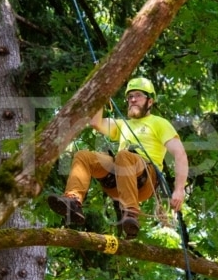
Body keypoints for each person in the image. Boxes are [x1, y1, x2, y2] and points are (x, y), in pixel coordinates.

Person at [47, 77, 188, 239]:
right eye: (129, 97)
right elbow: (96, 123)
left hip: (146, 178)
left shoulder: (159, 123)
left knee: (123, 156)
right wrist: (102, 93)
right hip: (119, 178)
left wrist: (179, 189)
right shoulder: (123, 124)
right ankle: (73, 201)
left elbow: (180, 154)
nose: (132, 100)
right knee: (83, 156)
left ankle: (131, 213)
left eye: (138, 95)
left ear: (150, 102)